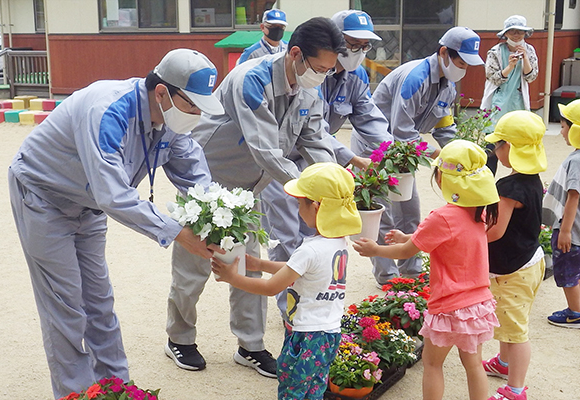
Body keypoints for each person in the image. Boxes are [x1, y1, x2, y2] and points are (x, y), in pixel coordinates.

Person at [8, 48, 224, 399]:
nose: (197, 115)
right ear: (162, 92)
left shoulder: (172, 119)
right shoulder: (107, 109)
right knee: (66, 308)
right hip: (43, 198)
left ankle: (118, 390)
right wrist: (180, 234)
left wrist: (214, 220)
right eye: (193, 106)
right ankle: (75, 394)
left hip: (88, 205)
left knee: (100, 304)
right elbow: (114, 196)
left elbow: (193, 173)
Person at [165, 17, 346, 377]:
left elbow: (315, 141)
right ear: (295, 54)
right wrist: (311, 190)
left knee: (246, 260)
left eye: (329, 70)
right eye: (319, 68)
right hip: (209, 180)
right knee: (195, 264)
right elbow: (265, 149)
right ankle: (179, 338)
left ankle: (250, 345)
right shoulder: (252, 78)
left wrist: (334, 184)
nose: (323, 76)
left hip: (251, 186)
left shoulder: (311, 87)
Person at [258, 9, 391, 314]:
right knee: (285, 233)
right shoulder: (309, 71)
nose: (358, 53)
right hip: (282, 163)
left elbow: (367, 116)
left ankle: (313, 296)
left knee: (317, 229)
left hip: (317, 160)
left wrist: (390, 150)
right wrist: (352, 158)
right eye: (353, 45)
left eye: (364, 47)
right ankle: (288, 306)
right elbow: (312, 130)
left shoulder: (355, 76)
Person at [353, 140, 500, 400]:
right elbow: (444, 239)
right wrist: (408, 236)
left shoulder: (442, 216)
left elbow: (406, 252)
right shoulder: (480, 212)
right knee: (474, 364)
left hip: (448, 306)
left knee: (433, 364)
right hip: (477, 304)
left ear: (443, 177)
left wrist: (375, 250)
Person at [212, 162, 361, 400]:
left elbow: (272, 288)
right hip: (329, 332)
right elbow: (298, 271)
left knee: (292, 389)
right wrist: (261, 265)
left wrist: (233, 278)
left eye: (299, 202)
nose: (297, 208)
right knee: (314, 390)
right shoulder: (338, 242)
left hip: (306, 335)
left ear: (315, 207)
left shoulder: (310, 249)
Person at [359, 26, 485, 287]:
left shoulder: (448, 84)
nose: (463, 69)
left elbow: (444, 125)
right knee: (382, 212)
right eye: (461, 62)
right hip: (376, 147)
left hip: (405, 152)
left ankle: (411, 270)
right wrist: (439, 155)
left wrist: (459, 153)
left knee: (410, 208)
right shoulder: (415, 78)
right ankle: (387, 276)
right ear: (443, 53)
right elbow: (400, 130)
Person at [481, 111, 548, 400]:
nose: (495, 150)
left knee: (516, 329)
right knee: (508, 321)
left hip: (514, 270)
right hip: (528, 261)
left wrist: (470, 240)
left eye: (498, 144)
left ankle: (515, 389)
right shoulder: (530, 179)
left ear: (511, 148)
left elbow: (495, 231)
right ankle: (503, 363)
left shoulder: (509, 188)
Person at [543, 99, 580, 329]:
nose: (561, 132)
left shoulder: (577, 160)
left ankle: (575, 314)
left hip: (573, 230)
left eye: (563, 127)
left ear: (576, 130)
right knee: (578, 272)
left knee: (568, 273)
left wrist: (565, 231)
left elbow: (573, 196)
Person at [481, 15, 539, 129]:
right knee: (495, 132)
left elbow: (531, 77)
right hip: (499, 96)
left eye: (520, 31)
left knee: (517, 130)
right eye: (512, 31)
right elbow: (492, 77)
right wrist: (510, 66)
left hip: (518, 98)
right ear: (505, 34)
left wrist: (525, 58)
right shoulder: (495, 51)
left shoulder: (530, 50)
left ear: (525, 33)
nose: (516, 35)